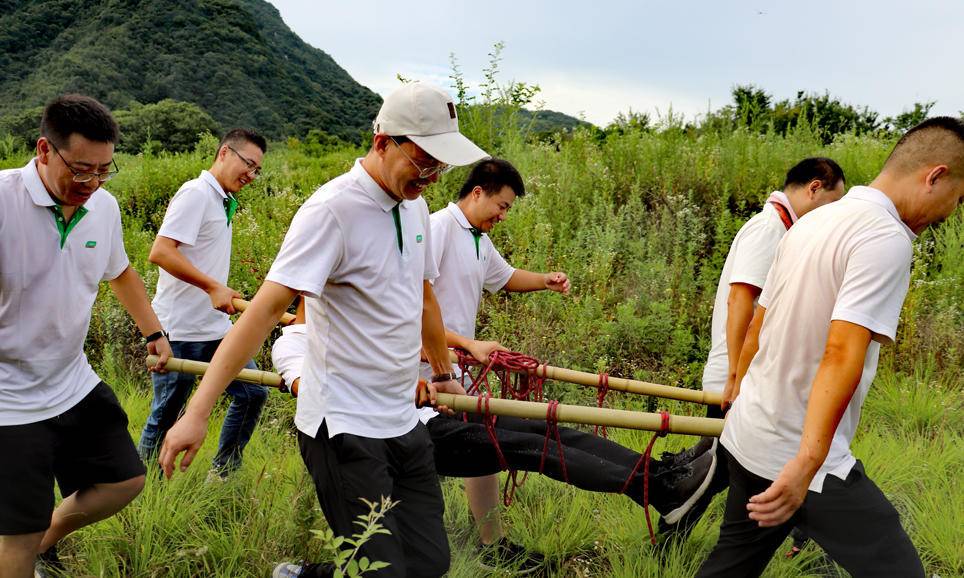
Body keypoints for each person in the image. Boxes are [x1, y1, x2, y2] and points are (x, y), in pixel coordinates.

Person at [272, 158, 716, 573]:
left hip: (440, 392)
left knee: (544, 428)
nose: (503, 214)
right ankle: (659, 487)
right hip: (407, 411)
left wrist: (541, 283)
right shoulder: (434, 230)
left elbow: (437, 301)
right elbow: (400, 320)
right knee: (524, 446)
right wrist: (434, 368)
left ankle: (662, 476)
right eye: (501, 205)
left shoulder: (465, 238)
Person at [158, 81, 487, 578]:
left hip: (401, 417)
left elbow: (421, 295)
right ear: (383, 142)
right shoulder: (331, 211)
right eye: (424, 162)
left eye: (442, 166)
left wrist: (442, 373)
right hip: (344, 425)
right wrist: (197, 412)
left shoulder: (414, 206)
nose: (434, 177)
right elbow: (265, 312)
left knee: (431, 562)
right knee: (382, 570)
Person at [696, 116, 964, 577]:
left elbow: (762, 321)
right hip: (799, 457)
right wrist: (806, 465)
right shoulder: (885, 237)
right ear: (935, 176)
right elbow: (842, 352)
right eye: (958, 198)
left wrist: (737, 391)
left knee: (731, 566)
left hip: (750, 434)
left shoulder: (813, 221)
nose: (952, 212)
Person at [0, 94, 172, 578]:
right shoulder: (4, 201)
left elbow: (120, 272)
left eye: (103, 170)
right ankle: (26, 549)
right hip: (9, 399)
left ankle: (44, 545)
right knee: (15, 535)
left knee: (125, 480)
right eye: (80, 170)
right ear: (43, 150)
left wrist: (153, 330)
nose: (92, 184)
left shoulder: (103, 207)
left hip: (71, 380)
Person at [660, 158, 846, 543]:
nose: (833, 214)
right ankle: (669, 529)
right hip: (738, 378)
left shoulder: (783, 229)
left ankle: (795, 535)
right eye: (832, 201)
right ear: (814, 187)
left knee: (725, 468)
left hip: (747, 376)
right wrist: (736, 377)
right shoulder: (769, 229)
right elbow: (741, 302)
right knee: (717, 471)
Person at [138, 128, 268, 477]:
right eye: (249, 164)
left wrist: (218, 289)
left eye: (257, 170)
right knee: (167, 415)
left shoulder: (221, 199)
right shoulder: (196, 193)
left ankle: (223, 473)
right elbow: (161, 252)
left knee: (252, 393)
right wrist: (213, 286)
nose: (252, 175)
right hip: (179, 330)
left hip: (214, 329)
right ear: (225, 153)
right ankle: (142, 490)